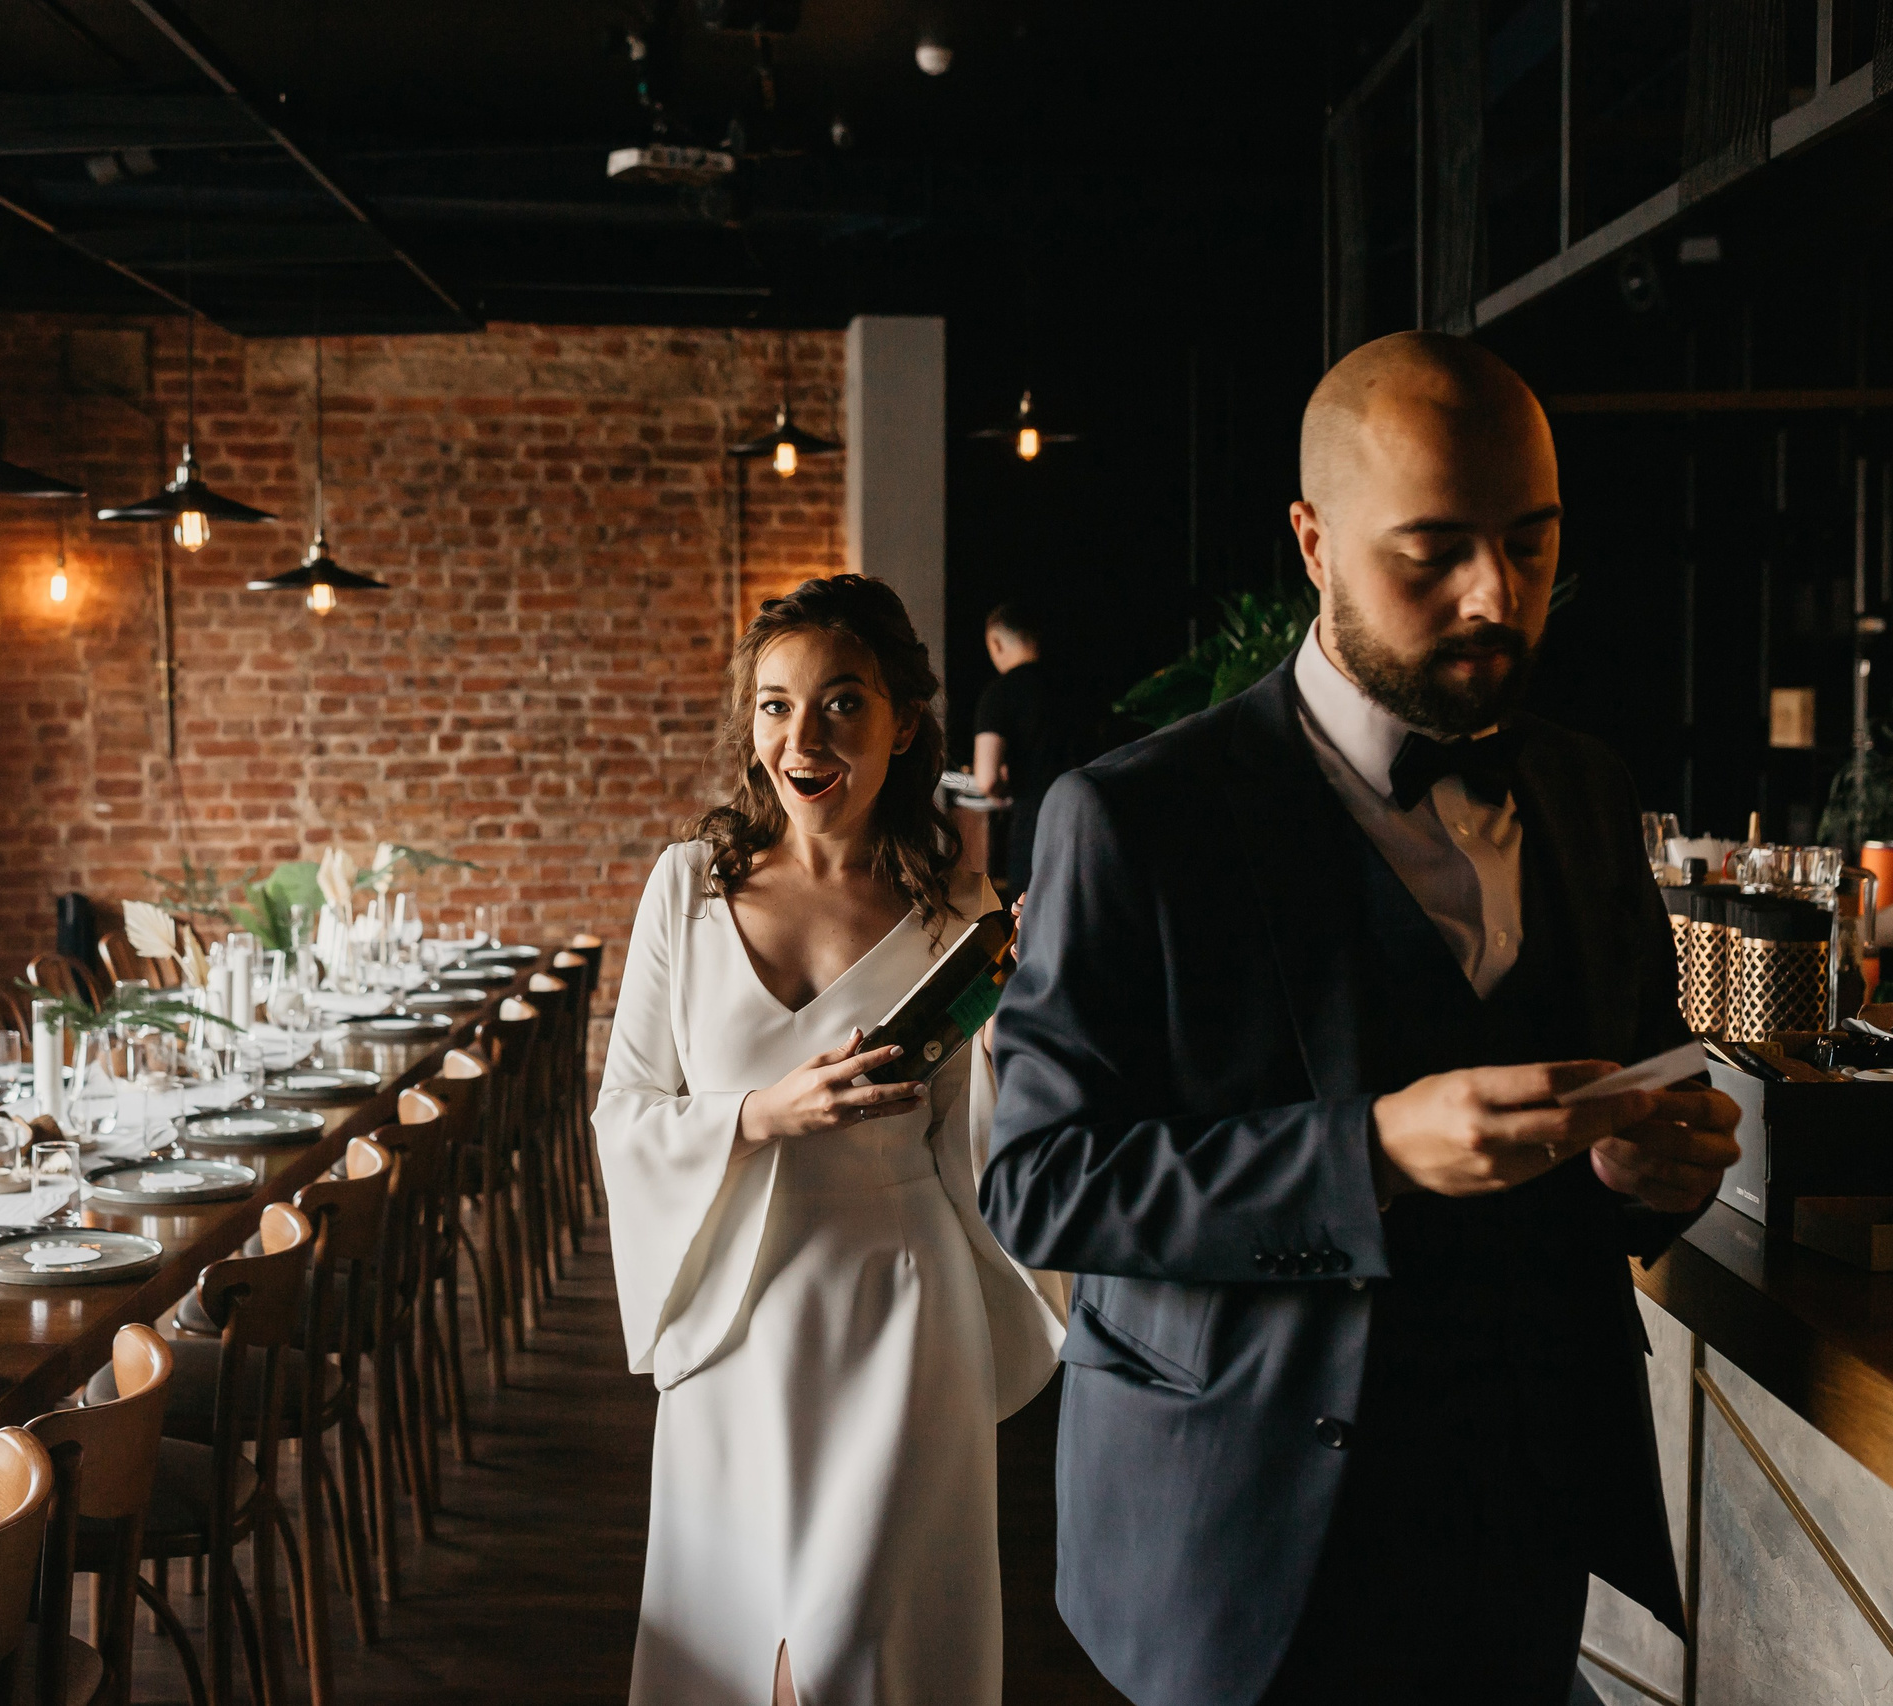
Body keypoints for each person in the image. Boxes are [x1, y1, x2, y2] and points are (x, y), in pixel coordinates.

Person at [979, 332, 1742, 1706]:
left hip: (1520, 1531)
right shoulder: (1132, 820)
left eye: (1531, 542)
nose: (1494, 595)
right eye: (1432, 551)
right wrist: (1372, 1151)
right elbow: (1036, 1181)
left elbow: (1633, 1078)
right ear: (1314, 540)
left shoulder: (1582, 785)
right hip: (1241, 1542)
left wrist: (1650, 1174)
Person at [595, 575, 1060, 1706]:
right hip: (731, 1314)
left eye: (841, 703)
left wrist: (1023, 1013)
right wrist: (759, 1113)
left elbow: (989, 1145)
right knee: (736, 1653)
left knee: (855, 1655)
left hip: (899, 1312)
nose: (801, 738)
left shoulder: (960, 912)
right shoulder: (685, 888)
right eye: (773, 705)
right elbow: (625, 1109)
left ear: (903, 722)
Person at [971, 602, 1097, 903]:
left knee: (1033, 920)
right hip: (1089, 820)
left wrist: (1001, 793)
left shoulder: (1000, 694)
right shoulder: (1078, 685)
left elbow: (986, 777)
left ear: (997, 642)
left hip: (1036, 826)